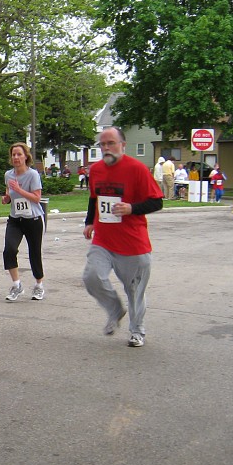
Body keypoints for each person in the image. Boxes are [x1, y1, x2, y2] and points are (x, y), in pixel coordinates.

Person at [82, 127, 164, 348]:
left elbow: (157, 201)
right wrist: (89, 221)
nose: (106, 148)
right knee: (91, 277)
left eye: (111, 143)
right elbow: (93, 197)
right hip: (104, 240)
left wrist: (131, 208)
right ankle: (115, 309)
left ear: (123, 145)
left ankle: (137, 330)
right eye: (102, 145)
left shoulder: (137, 169)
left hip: (133, 244)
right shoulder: (97, 170)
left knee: (135, 291)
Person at [1, 143, 45, 302]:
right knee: (9, 250)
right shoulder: (8, 175)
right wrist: (6, 198)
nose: (16, 158)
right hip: (15, 219)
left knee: (34, 253)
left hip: (33, 219)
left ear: (26, 156)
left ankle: (39, 285)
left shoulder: (32, 175)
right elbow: (9, 193)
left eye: (19, 154)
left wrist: (19, 190)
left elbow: (36, 198)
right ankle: (17, 284)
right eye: (13, 155)